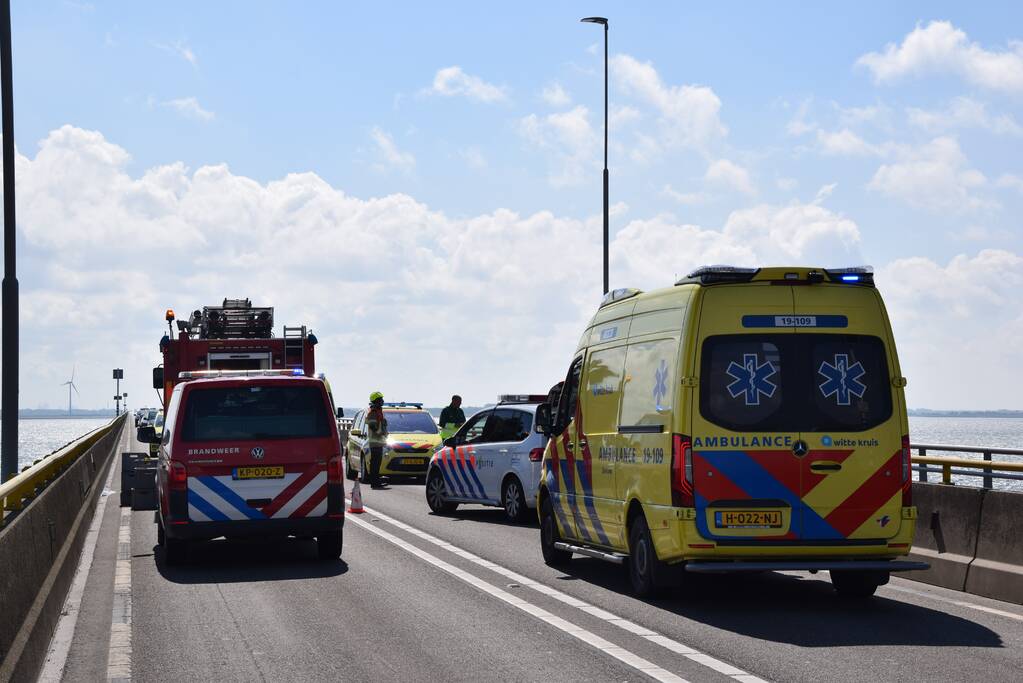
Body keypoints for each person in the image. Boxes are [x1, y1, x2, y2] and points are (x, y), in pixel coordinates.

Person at [365, 391, 389, 488]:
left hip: (378, 442)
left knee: (377, 463)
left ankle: (376, 481)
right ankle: (374, 483)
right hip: (375, 442)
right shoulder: (373, 413)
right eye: (380, 399)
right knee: (375, 463)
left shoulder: (378, 412)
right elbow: (373, 427)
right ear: (376, 401)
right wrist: (382, 432)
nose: (382, 401)